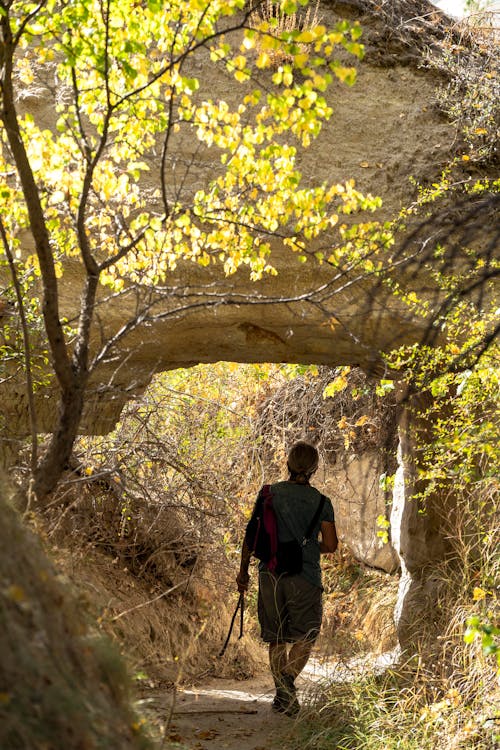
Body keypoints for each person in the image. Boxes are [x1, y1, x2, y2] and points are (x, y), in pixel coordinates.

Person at [236, 441, 338, 716]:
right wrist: (308, 545)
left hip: (270, 573)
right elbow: (330, 545)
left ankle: (283, 691)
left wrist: (243, 571)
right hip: (305, 576)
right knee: (307, 633)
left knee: (277, 636)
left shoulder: (269, 493)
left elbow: (251, 535)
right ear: (315, 468)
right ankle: (287, 685)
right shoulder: (322, 502)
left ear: (288, 464)